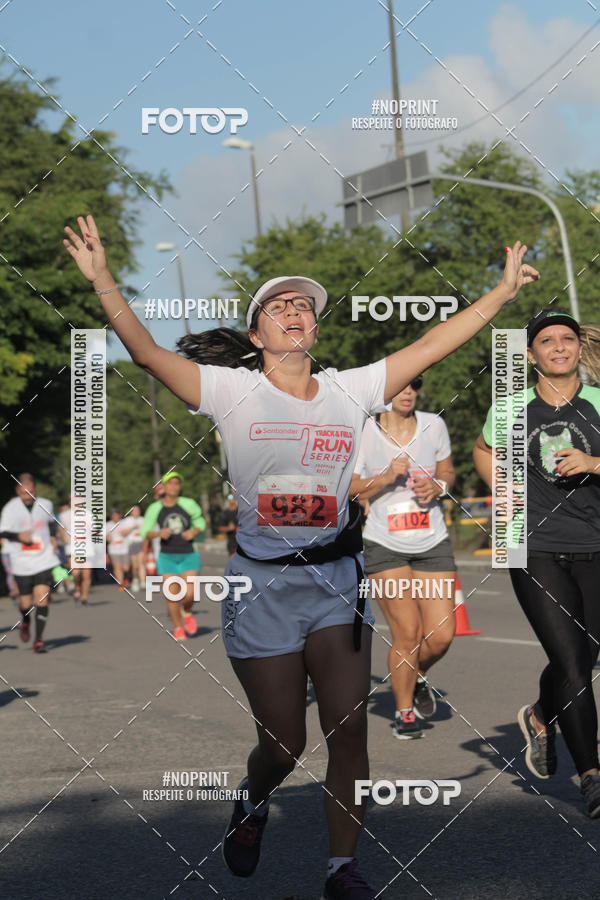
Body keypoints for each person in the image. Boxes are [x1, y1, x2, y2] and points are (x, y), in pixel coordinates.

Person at [63, 214, 538, 898]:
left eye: (303, 306)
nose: (295, 311)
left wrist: (499, 296)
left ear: (313, 330)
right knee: (283, 745)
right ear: (257, 337)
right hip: (260, 590)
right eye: (278, 306)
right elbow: (145, 354)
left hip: (335, 583)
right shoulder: (231, 391)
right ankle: (253, 799)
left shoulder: (350, 390)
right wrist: (104, 281)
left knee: (349, 735)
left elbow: (432, 343)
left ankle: (340, 868)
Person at [473, 308, 600, 818]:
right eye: (547, 341)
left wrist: (594, 463)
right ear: (530, 355)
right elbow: (484, 450)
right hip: (529, 544)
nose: (559, 347)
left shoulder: (596, 402)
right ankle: (591, 774)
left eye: (566, 339)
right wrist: (499, 489)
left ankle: (541, 714)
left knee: (586, 655)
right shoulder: (511, 409)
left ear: (576, 348)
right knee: (572, 663)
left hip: (595, 542)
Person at [351, 376, 456, 740]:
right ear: (385, 394)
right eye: (400, 386)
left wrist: (439, 486)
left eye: (413, 386)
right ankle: (404, 712)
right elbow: (347, 487)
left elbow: (447, 472)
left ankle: (417, 675)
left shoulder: (434, 424)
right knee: (407, 633)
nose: (407, 392)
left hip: (432, 540)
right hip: (385, 543)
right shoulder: (365, 431)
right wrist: (382, 478)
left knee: (442, 635)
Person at [140, 472, 206, 639]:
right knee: (172, 595)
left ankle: (187, 611)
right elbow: (144, 532)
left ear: (180, 487)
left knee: (189, 594)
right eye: (170, 483)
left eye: (177, 483)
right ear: (164, 486)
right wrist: (158, 533)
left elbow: (200, 522)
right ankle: (178, 627)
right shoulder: (155, 508)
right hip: (167, 557)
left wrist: (194, 532)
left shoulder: (188, 504)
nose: (174, 487)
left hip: (188, 554)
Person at [0, 474, 59, 653]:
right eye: (24, 493)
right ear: (18, 491)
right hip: (21, 561)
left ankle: (39, 640)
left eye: (31, 492)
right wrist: (18, 536)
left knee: (42, 599)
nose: (28, 496)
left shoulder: (46, 504)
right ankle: (25, 621)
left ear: (35, 490)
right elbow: (3, 532)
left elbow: (51, 523)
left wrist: (53, 537)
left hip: (43, 558)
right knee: (25, 604)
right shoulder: (10, 508)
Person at [59, 496, 91, 603]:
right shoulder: (64, 515)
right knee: (76, 572)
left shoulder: (88, 514)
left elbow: (94, 529)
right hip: (71, 548)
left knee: (86, 574)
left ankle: (84, 597)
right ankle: (77, 587)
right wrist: (64, 537)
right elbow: (60, 528)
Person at [105, 507, 132, 590]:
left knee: (126, 568)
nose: (115, 516)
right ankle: (121, 584)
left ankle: (126, 578)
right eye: (113, 515)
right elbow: (105, 536)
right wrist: (107, 537)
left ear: (120, 515)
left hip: (125, 548)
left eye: (116, 515)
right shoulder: (108, 525)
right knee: (117, 567)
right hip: (113, 550)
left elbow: (128, 531)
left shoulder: (125, 523)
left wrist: (125, 532)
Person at [122, 504, 145, 591]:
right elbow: (123, 533)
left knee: (141, 563)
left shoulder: (143, 520)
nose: (136, 512)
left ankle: (143, 581)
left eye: (137, 510)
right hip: (131, 544)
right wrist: (133, 528)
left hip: (141, 543)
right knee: (135, 565)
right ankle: (135, 580)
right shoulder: (127, 521)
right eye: (134, 510)